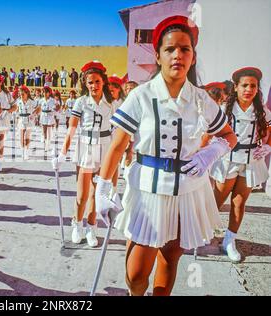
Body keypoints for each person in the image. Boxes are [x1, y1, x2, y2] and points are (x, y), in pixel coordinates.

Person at [95, 16, 237, 296]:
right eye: (170, 49)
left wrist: (212, 152)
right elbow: (117, 145)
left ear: (193, 57)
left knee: (171, 257)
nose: (178, 55)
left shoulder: (201, 99)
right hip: (147, 192)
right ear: (158, 56)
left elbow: (229, 136)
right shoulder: (141, 96)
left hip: (188, 191)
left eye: (185, 49)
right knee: (135, 275)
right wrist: (103, 188)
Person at [52, 60, 115, 248]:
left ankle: (91, 227)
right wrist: (62, 154)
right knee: (82, 195)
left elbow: (119, 128)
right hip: (86, 149)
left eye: (97, 81)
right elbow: (72, 128)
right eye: (90, 82)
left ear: (103, 81)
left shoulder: (111, 103)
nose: (93, 85)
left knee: (98, 194)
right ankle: (77, 224)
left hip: (105, 149)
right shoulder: (81, 102)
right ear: (85, 84)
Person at [210, 67, 271, 262]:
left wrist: (267, 146)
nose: (249, 89)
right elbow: (209, 133)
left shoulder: (263, 111)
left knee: (239, 203)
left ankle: (229, 240)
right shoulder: (224, 109)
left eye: (253, 86)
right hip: (228, 160)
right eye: (244, 85)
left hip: (252, 161)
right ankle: (204, 232)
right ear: (235, 87)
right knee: (216, 201)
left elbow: (269, 131)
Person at [17, 85, 39, 160]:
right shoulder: (18, 101)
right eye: (20, 94)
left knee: (27, 136)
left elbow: (39, 108)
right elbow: (16, 109)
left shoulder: (32, 101)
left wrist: (34, 114)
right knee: (21, 137)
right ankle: (22, 151)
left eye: (22, 94)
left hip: (29, 120)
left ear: (27, 93)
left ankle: (26, 152)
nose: (21, 95)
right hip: (21, 120)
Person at [38, 86, 56, 153]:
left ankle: (48, 142)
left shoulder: (52, 100)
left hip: (49, 115)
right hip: (43, 115)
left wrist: (54, 110)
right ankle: (46, 143)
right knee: (44, 130)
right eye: (43, 92)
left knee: (49, 130)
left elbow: (57, 106)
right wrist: (34, 114)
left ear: (49, 93)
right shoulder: (41, 100)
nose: (45, 93)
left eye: (46, 92)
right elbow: (39, 108)